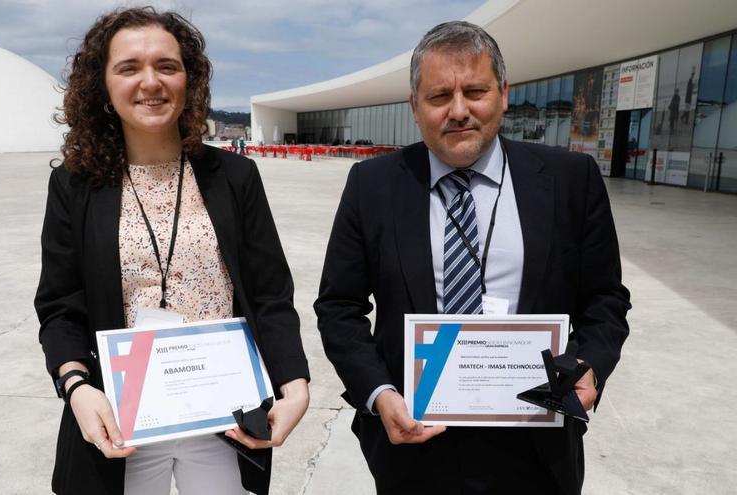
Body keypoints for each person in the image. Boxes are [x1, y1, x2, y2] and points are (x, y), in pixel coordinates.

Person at [315, 21, 630, 495]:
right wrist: (380, 396)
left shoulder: (571, 179)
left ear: (503, 94)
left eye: (475, 91)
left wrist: (589, 366)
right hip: (414, 442)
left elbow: (605, 299)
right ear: (415, 107)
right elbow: (339, 307)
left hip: (536, 444)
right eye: (440, 96)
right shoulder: (373, 185)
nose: (459, 111)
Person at [35, 7, 310, 495]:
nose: (151, 82)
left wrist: (295, 384)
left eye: (167, 65)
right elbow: (60, 305)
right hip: (121, 423)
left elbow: (269, 294)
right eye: (129, 67)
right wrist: (76, 387)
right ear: (102, 85)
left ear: (189, 79)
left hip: (224, 418)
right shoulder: (74, 186)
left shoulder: (235, 177)